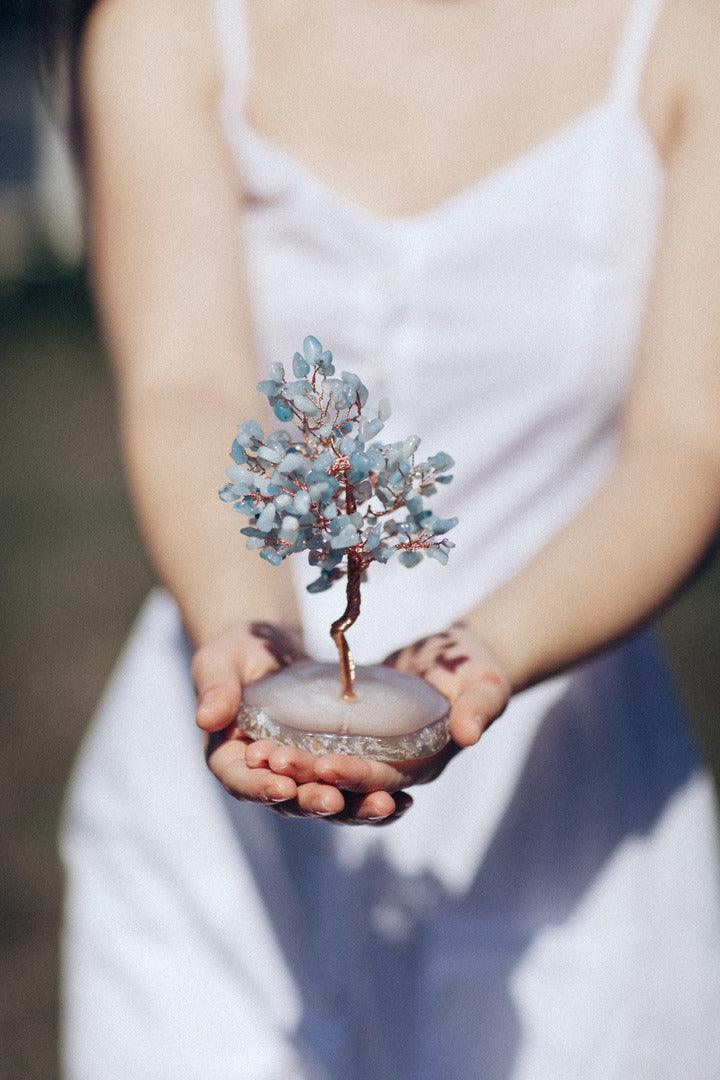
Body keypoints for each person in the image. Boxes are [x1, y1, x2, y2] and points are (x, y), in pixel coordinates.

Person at [37, 0, 720, 1076]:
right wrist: (245, 627)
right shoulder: (170, 21)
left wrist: (483, 656)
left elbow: (689, 446)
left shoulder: (687, 32)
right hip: (213, 845)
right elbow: (189, 388)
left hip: (564, 810)